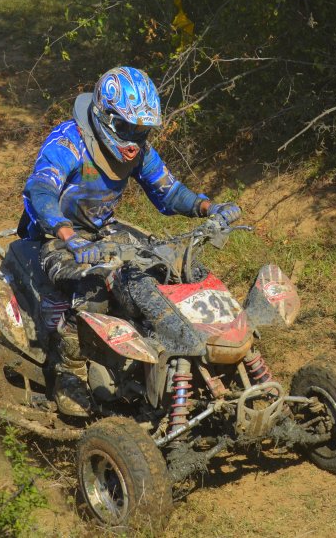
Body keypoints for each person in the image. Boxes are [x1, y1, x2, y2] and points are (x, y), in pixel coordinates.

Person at [19, 66, 240, 416]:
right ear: (105, 117)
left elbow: (169, 192)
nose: (134, 140)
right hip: (54, 237)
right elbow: (40, 189)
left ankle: (184, 353)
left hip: (104, 231)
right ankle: (69, 377)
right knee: (90, 289)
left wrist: (208, 207)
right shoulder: (68, 143)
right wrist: (69, 236)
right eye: (127, 128)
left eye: (142, 130)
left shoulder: (139, 150)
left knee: (168, 267)